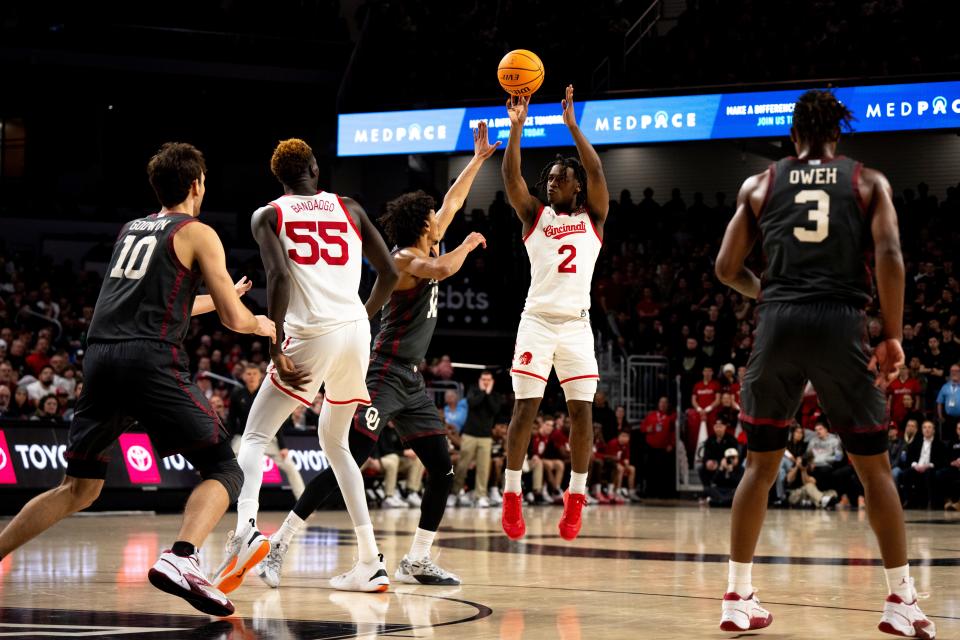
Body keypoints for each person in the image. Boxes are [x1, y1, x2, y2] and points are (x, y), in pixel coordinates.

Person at [0, 142, 275, 617]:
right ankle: (181, 558)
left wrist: (224, 297)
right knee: (225, 468)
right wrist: (260, 323)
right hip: (150, 359)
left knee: (79, 488)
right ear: (195, 185)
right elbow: (235, 320)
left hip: (102, 355)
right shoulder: (198, 232)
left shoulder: (132, 229)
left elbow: (167, 306)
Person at [714, 90, 934, 636]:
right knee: (873, 464)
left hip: (779, 320)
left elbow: (724, 267)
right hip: (840, 319)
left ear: (793, 136)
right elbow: (889, 255)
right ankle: (900, 600)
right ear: (837, 136)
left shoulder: (760, 184)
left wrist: (768, 293)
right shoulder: (867, 182)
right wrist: (893, 333)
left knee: (760, 466)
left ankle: (738, 596)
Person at [250, 124, 498, 590]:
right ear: (424, 227)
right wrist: (467, 245)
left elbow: (453, 202)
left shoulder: (428, 238)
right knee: (350, 456)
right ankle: (278, 545)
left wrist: (478, 159)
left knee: (442, 471)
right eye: (434, 221)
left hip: (412, 381)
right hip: (381, 371)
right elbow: (443, 266)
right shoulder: (407, 259)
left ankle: (418, 559)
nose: (440, 222)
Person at [221, 138, 398, 594]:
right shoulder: (350, 206)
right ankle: (369, 561)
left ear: (278, 176)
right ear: (315, 168)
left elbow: (278, 277)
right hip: (356, 331)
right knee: (336, 443)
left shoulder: (268, 214)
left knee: (257, 434)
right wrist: (361, 313)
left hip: (312, 332)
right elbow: (391, 275)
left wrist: (275, 339)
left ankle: (244, 532)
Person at [500, 85, 610, 542]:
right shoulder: (534, 216)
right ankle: (511, 495)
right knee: (525, 408)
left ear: (577, 186)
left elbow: (598, 167)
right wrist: (516, 130)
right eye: (549, 180)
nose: (551, 184)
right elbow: (512, 180)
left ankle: (576, 496)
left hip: (577, 327)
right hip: (538, 322)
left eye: (560, 179)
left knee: (581, 413)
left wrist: (572, 126)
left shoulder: (595, 218)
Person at [228, 364, 304, 500]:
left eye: (254, 374)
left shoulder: (266, 393)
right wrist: (228, 443)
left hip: (266, 436)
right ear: (243, 376)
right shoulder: (237, 394)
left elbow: (276, 419)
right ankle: (227, 500)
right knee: (229, 465)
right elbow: (231, 421)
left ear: (260, 376)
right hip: (243, 437)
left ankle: (304, 504)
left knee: (290, 468)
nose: (252, 377)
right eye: (249, 374)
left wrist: (282, 445)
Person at [452, 371, 503, 507]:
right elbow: (472, 403)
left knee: (483, 468)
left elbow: (494, 409)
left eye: (488, 379)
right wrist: (482, 392)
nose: (486, 381)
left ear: (492, 381)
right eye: (483, 379)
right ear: (480, 380)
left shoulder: (495, 395)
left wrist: (488, 393)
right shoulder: (473, 391)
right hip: (469, 434)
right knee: (462, 465)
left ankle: (480, 496)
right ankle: (455, 492)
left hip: (486, 437)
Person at [904, 419, 948, 509]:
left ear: (934, 430)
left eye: (929, 427)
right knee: (906, 473)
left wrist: (928, 465)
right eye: (924, 427)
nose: (927, 429)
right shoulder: (916, 443)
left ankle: (930, 503)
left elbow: (942, 461)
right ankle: (909, 502)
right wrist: (915, 465)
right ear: (922, 430)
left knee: (929, 473)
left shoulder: (939, 444)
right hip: (917, 467)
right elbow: (910, 458)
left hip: (930, 468)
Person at [936, 364, 960, 441]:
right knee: (949, 439)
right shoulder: (945, 386)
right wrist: (940, 416)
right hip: (948, 419)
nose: (954, 373)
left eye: (956, 371)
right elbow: (939, 402)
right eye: (952, 371)